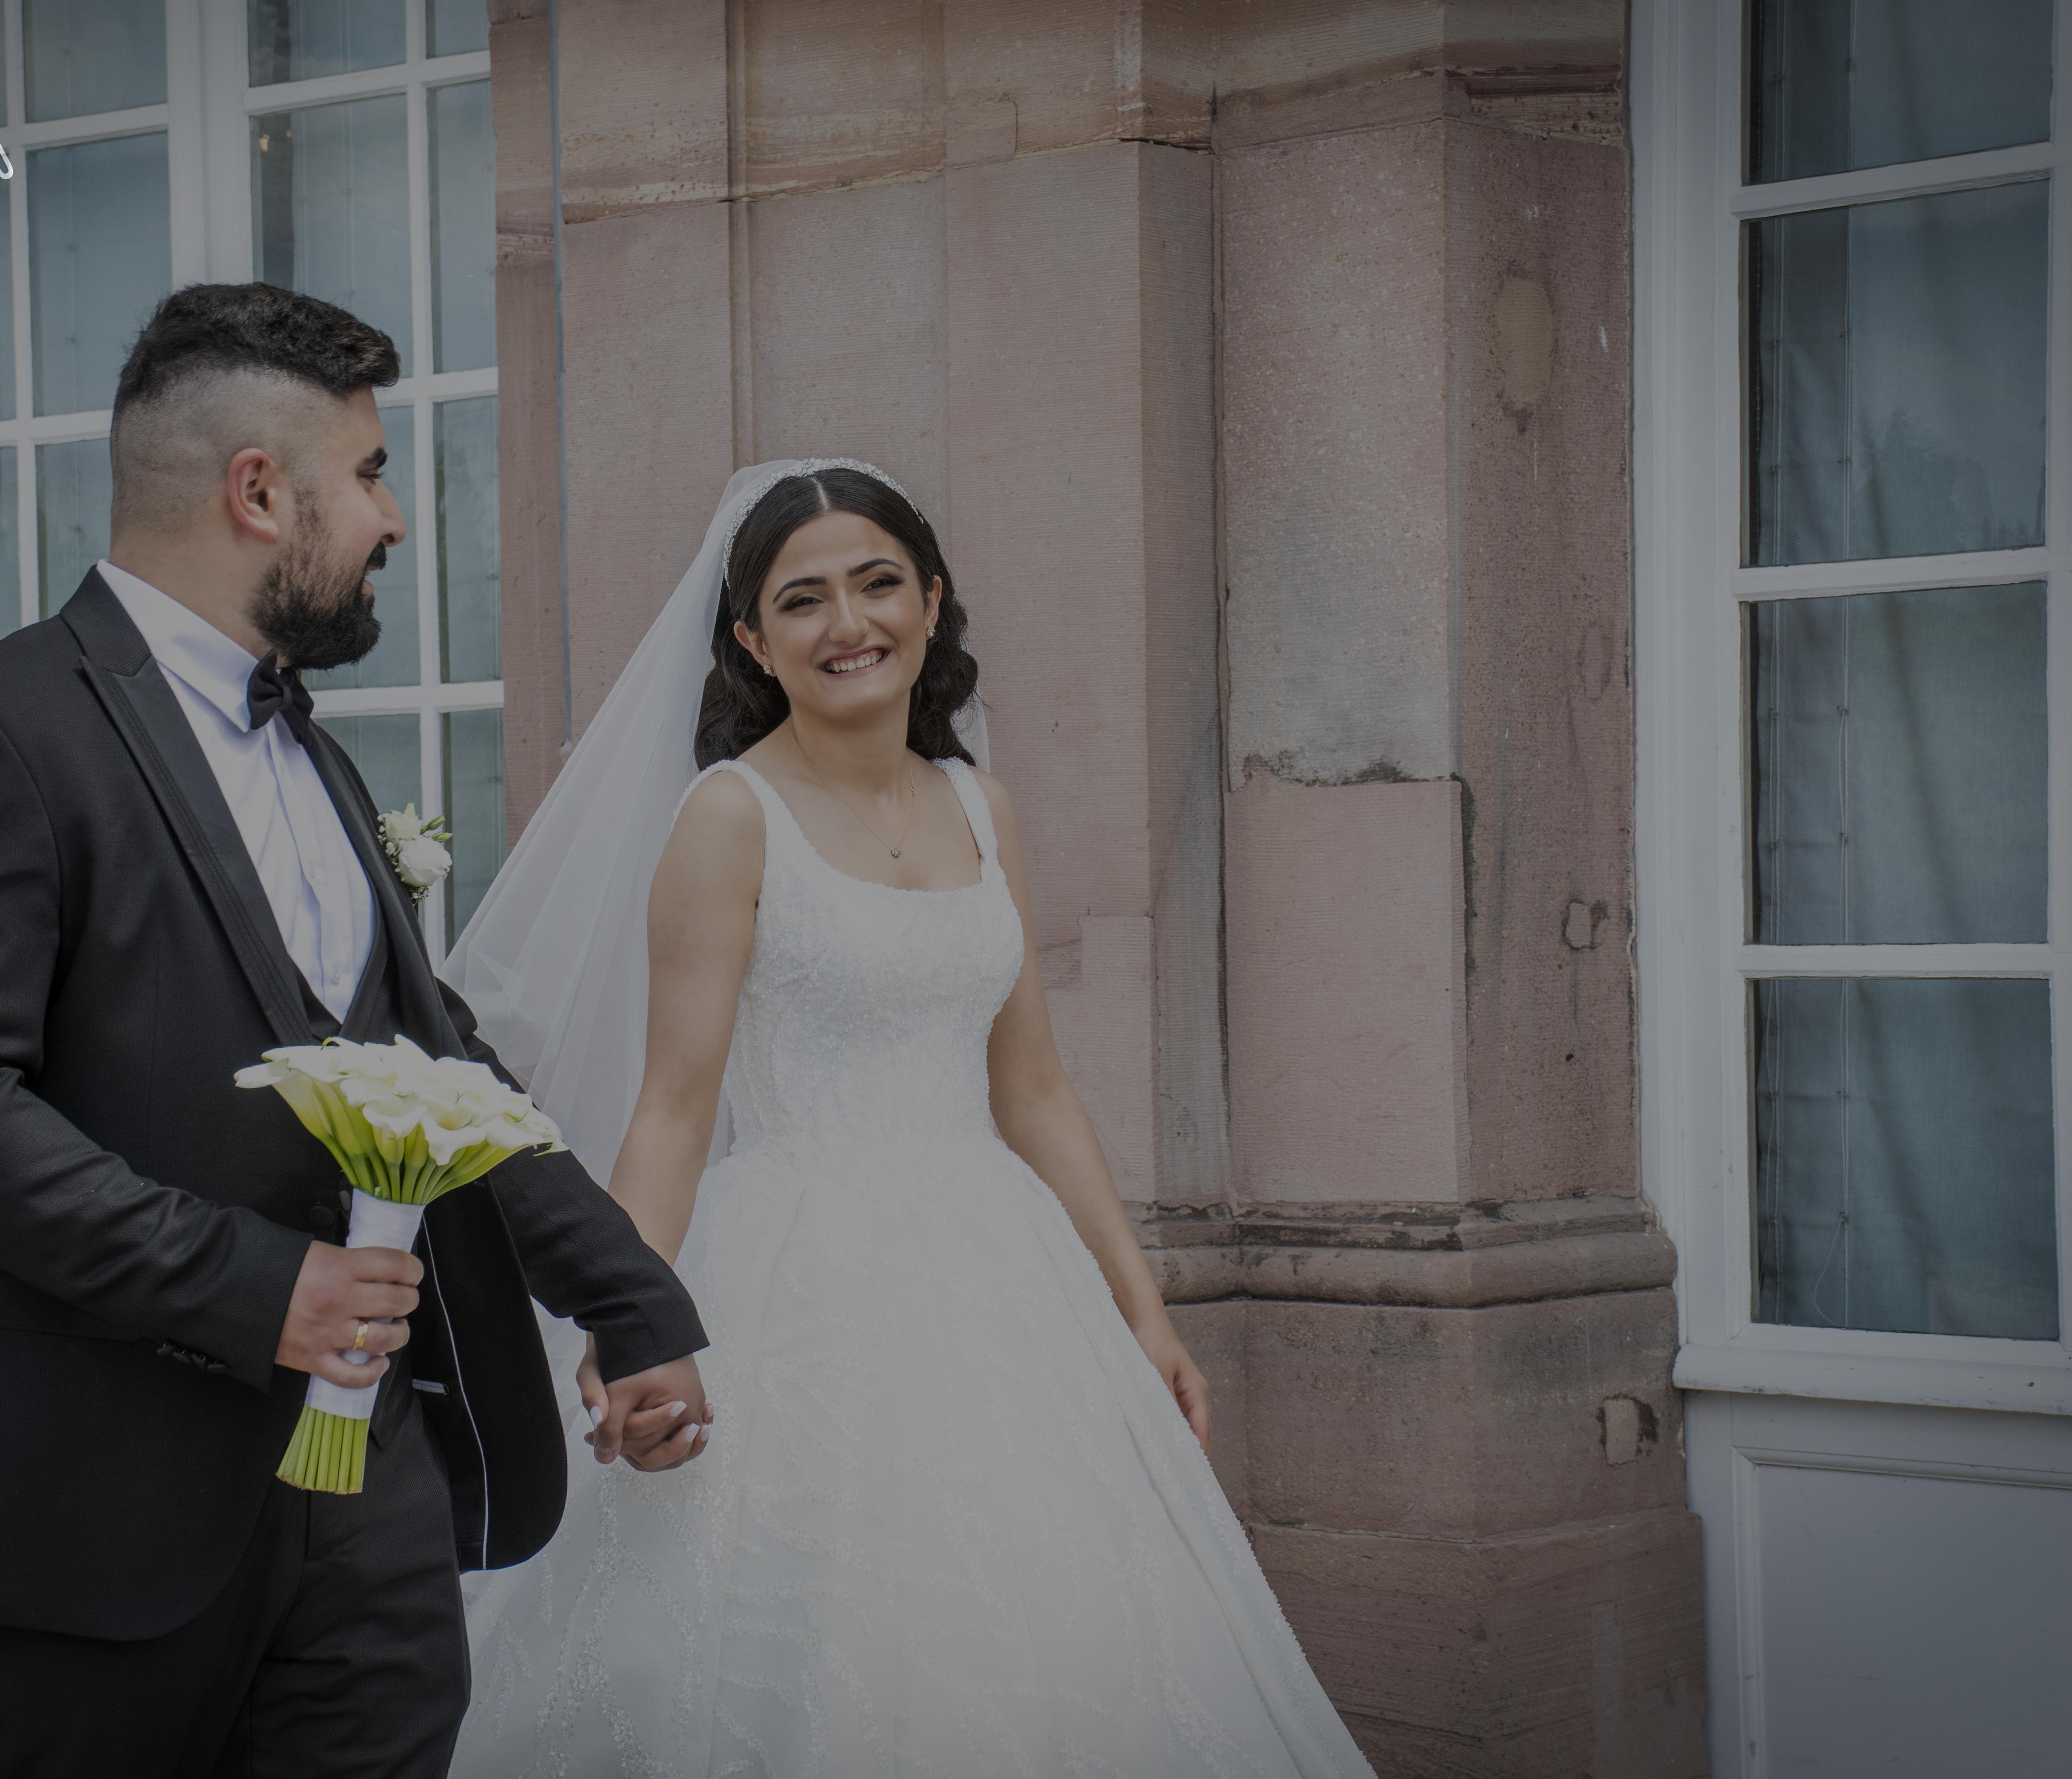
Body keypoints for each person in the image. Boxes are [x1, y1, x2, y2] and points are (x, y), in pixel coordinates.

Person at [0, 282, 712, 1779]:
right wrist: (258, 1283)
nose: (392, 519)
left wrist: (627, 1298)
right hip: (85, 1489)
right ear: (260, 493)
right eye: (372, 475)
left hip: (366, 1480)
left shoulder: (315, 755)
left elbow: (432, 1066)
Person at [441, 460, 1376, 1775]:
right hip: (791, 1276)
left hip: (1004, 1275)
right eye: (803, 600)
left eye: (878, 584)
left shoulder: (982, 807)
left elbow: (1033, 1085)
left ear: (932, 603)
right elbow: (673, 1110)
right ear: (752, 640)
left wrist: (1142, 1307)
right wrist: (623, 1318)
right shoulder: (729, 818)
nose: (850, 624)